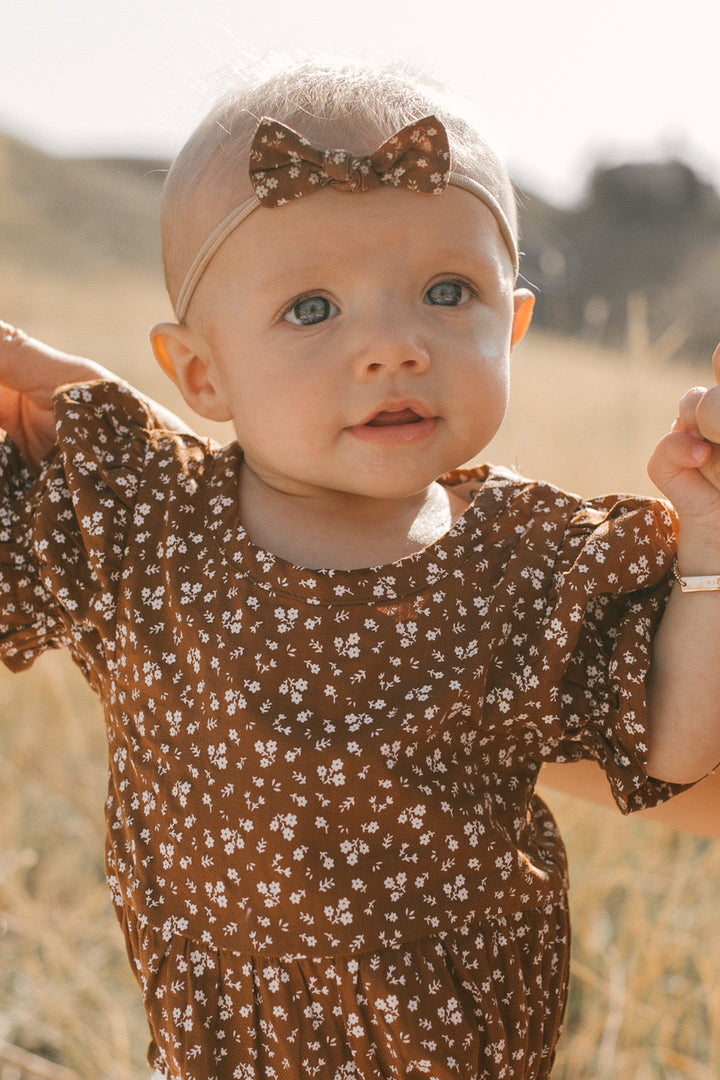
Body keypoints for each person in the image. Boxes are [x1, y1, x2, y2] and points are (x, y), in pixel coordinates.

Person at [2, 61, 720, 1080]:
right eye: (310, 310)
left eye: (445, 292)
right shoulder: (141, 521)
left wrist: (708, 539)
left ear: (511, 326)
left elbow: (675, 749)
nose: (393, 345)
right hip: (223, 1053)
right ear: (202, 373)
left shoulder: (533, 559)